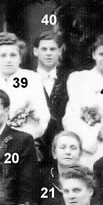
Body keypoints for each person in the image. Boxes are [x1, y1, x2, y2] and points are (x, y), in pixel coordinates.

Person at [0, 32, 49, 141]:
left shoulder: (33, 78)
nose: (8, 60)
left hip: (23, 142)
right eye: (3, 55)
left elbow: (41, 116)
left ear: (20, 58)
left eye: (13, 55)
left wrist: (19, 139)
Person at [32, 28, 69, 166]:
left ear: (59, 51)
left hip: (62, 148)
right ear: (35, 51)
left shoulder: (68, 79)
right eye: (44, 49)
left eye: (53, 49)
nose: (48, 53)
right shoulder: (26, 78)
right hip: (34, 148)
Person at [38, 130, 83, 205]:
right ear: (54, 153)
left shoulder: (88, 180)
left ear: (80, 154)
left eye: (73, 148)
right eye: (63, 147)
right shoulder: (40, 177)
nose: (68, 152)